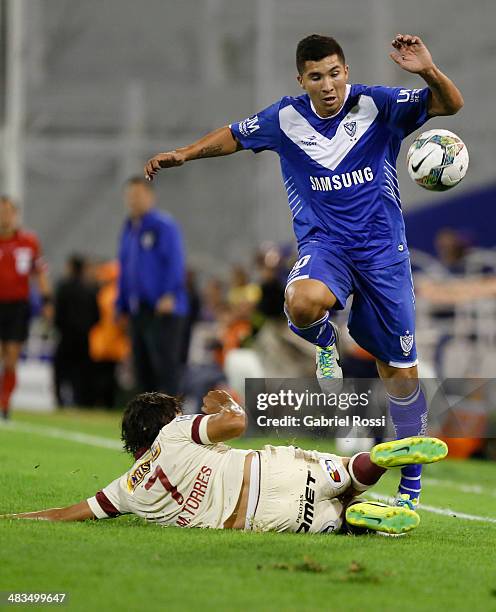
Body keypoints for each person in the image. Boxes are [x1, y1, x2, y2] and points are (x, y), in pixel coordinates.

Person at [143, 33, 464, 507]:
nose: (328, 84)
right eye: (317, 76)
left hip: (383, 255)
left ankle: (410, 491)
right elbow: (233, 134)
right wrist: (185, 154)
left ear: (346, 71)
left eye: (335, 73)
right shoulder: (285, 118)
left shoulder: (379, 105)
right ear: (303, 80)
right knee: (300, 301)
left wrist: (427, 70)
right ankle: (326, 345)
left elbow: (449, 106)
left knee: (402, 376)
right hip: (326, 246)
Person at [3, 390, 448, 536]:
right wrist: (222, 401)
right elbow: (237, 423)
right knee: (347, 471)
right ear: (163, 422)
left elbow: (67, 514)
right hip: (271, 469)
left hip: (262, 514)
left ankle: (355, 518)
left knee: (337, 521)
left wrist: (14, 516)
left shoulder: (127, 491)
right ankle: (378, 460)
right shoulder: (176, 432)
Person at [116, 176, 188, 395]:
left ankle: (172, 419)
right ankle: (147, 423)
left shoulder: (162, 226)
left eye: (138, 195)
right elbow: (125, 268)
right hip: (139, 309)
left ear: (150, 197)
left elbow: (175, 262)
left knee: (165, 367)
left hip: (163, 309)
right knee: (142, 368)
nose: (133, 201)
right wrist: (121, 305)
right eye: (130, 196)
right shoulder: (129, 228)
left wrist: (168, 294)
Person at [0, 196, 52, 419]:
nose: (5, 216)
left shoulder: (28, 242)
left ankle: (5, 402)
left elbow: (39, 273)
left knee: (11, 357)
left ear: (15, 215)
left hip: (18, 307)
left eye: (8, 211)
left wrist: (47, 300)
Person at [54, 254, 100, 406]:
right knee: (82, 372)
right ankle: (81, 401)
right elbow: (97, 316)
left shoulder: (63, 287)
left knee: (60, 370)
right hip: (84, 337)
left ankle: (60, 400)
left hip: (66, 336)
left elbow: (58, 313)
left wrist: (60, 326)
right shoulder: (90, 289)